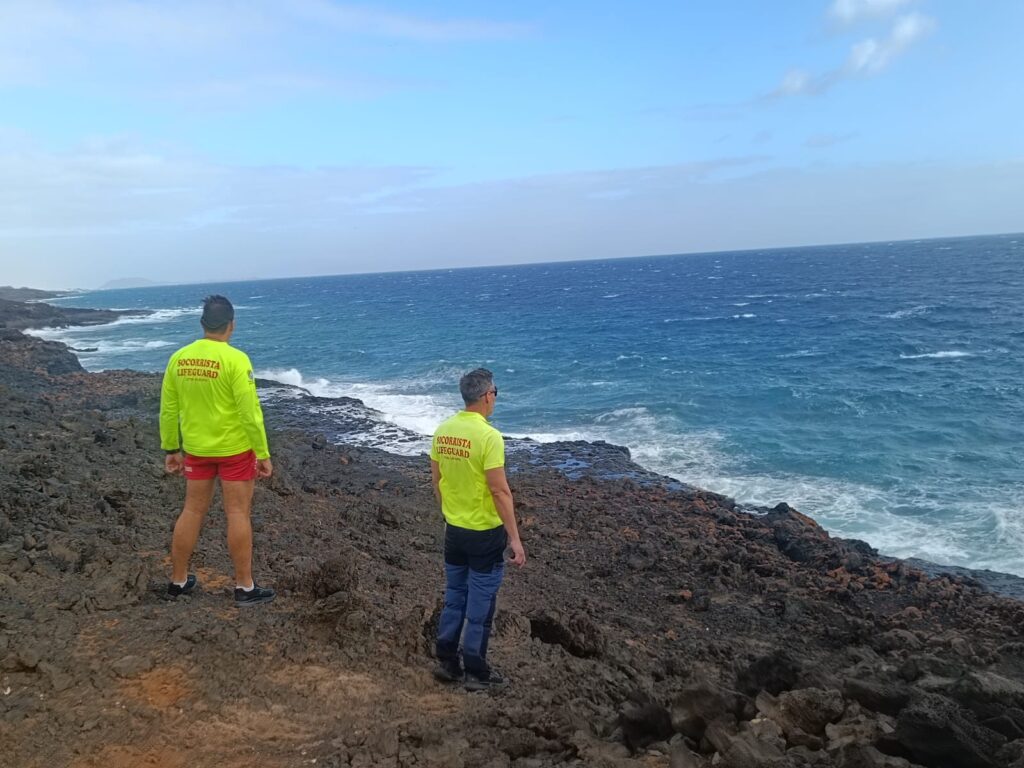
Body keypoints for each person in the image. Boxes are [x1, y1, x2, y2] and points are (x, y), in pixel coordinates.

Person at [159, 295, 276, 606]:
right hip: (235, 450)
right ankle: (245, 587)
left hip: (196, 449)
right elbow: (250, 412)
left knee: (192, 510)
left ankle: (178, 580)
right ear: (231, 325)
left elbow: (168, 409)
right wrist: (262, 453)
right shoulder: (236, 360)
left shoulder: (178, 358)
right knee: (237, 513)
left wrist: (171, 447)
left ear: (202, 324)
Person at [430, 368, 526, 691]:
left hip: (453, 531)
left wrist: (449, 513)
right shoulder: (489, 437)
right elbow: (500, 492)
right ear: (487, 396)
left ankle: (446, 660)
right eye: (495, 392)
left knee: (455, 596)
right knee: (481, 606)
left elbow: (437, 479)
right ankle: (475, 670)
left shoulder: (443, 431)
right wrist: (514, 538)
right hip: (485, 534)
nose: (495, 397)